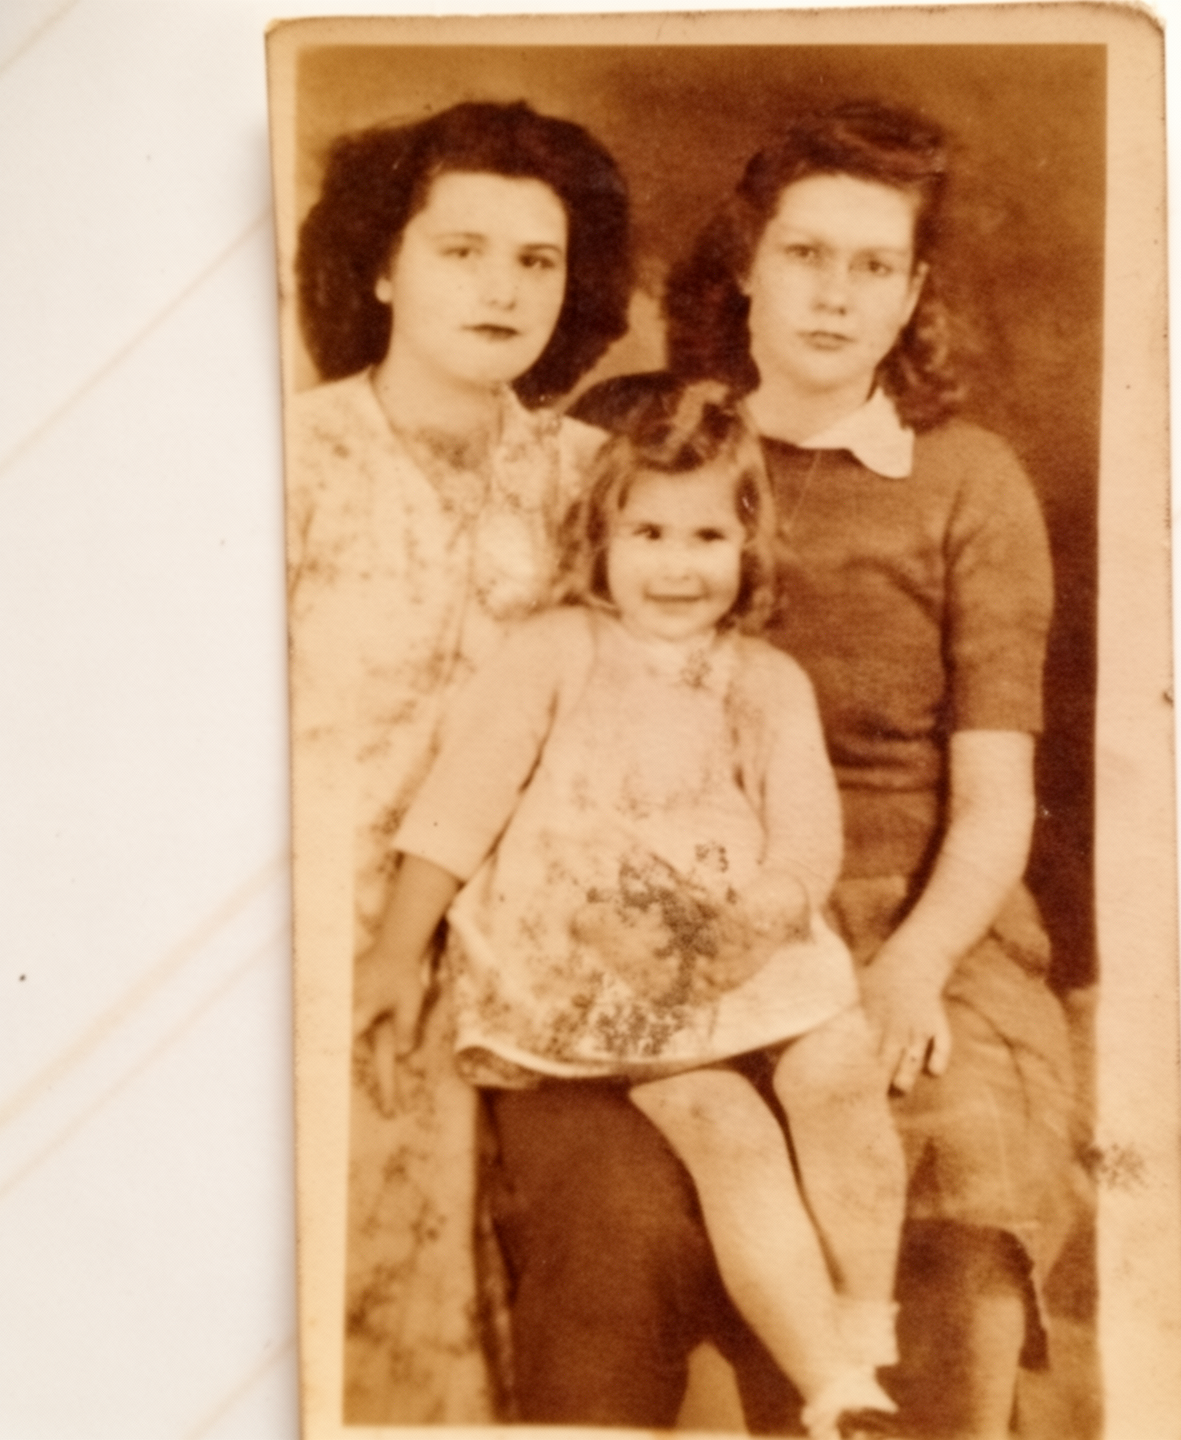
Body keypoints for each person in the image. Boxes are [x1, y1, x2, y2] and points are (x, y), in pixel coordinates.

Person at [483, 101, 1087, 1440]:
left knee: (955, 1181)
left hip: (903, 909)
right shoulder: (636, 433)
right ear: (748, 263)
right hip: (648, 904)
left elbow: (995, 799)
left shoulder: (968, 481)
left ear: (913, 294)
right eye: (807, 254)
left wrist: (913, 968)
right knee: (622, 1217)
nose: (835, 293)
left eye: (875, 267)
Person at [359, 383, 908, 1440]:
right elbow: (461, 802)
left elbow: (806, 835)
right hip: (608, 958)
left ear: (749, 545)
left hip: (744, 939)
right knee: (728, 1126)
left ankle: (865, 1331)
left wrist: (765, 914)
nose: (676, 565)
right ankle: (835, 1390)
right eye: (648, 533)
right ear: (601, 539)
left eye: (707, 536)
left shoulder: (766, 680)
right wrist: (395, 949)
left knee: (838, 1073)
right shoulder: (559, 650)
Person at [284, 99, 632, 1421]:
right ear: (381, 264)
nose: (504, 289)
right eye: (462, 251)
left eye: (537, 260)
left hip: (527, 944)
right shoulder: (297, 460)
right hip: (318, 933)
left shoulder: (596, 482)